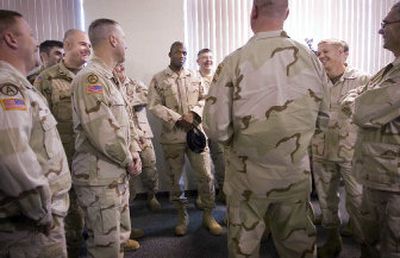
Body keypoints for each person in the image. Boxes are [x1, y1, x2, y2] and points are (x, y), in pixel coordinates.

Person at [203, 0, 330, 257]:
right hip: (294, 173)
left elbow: (216, 128)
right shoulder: (312, 60)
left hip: (247, 177)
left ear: (254, 12)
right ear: (287, 14)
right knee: (299, 246)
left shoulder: (233, 61)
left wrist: (237, 143)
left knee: (245, 248)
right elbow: (325, 118)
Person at [0, 10, 71, 257]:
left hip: (33, 219)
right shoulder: (7, 87)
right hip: (28, 226)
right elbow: (10, 158)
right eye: (31, 34)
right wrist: (42, 213)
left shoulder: (20, 85)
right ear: (11, 39)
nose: (36, 42)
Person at [71, 18, 142, 257]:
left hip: (114, 173)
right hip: (98, 178)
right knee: (105, 248)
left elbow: (125, 122)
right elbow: (103, 131)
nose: (126, 45)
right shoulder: (90, 78)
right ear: (113, 39)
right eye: (123, 39)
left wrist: (134, 149)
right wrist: (129, 159)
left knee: (118, 241)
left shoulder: (110, 79)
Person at [342, 2, 400, 257]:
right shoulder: (389, 69)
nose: (380, 31)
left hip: (394, 184)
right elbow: (355, 98)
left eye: (385, 24)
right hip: (378, 176)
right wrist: (360, 100)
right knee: (371, 241)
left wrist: (360, 100)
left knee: (391, 247)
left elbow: (362, 111)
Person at [148, 41, 222, 236]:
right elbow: (153, 105)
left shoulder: (195, 77)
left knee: (206, 176)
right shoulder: (159, 79)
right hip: (172, 136)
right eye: (178, 52)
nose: (181, 55)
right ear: (169, 54)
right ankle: (182, 216)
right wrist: (177, 118)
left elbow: (206, 100)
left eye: (185, 53)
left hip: (196, 135)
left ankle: (208, 214)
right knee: (175, 181)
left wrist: (194, 114)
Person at [33, 29, 92, 258]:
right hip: (64, 156)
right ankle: (75, 244)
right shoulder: (46, 79)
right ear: (67, 46)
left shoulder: (93, 76)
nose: (87, 48)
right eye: (82, 44)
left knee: (95, 201)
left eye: (89, 45)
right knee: (71, 206)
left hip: (93, 153)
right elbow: (38, 124)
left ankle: (101, 237)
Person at [310, 39, 369, 257]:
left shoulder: (363, 80)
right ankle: (333, 240)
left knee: (357, 201)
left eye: (326, 51)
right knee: (326, 200)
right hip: (321, 150)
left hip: (351, 153)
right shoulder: (315, 81)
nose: (321, 55)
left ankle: (366, 248)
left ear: (342, 53)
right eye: (319, 52)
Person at [114, 63, 161, 212]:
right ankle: (129, 202)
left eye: (122, 66)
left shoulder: (135, 84)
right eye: (116, 66)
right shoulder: (110, 86)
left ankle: (152, 195)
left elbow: (148, 97)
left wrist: (125, 100)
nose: (120, 68)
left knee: (150, 167)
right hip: (124, 136)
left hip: (143, 134)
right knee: (130, 170)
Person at [195, 48, 226, 206]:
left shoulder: (219, 78)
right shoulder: (192, 78)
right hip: (200, 125)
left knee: (221, 160)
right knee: (203, 164)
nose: (208, 60)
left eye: (210, 57)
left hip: (217, 123)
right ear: (198, 61)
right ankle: (204, 195)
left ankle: (223, 191)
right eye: (204, 58)